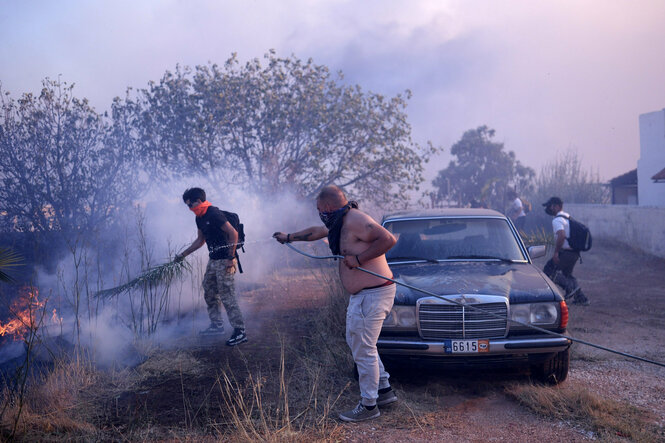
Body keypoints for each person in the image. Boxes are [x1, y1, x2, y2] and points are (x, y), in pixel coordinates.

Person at [273, 185, 398, 423]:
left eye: (320, 209)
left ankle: (369, 406)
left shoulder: (355, 219)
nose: (319, 212)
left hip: (374, 293)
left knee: (364, 348)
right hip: (363, 295)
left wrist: (359, 258)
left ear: (327, 207)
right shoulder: (339, 222)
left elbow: (388, 239)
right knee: (359, 343)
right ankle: (383, 390)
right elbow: (317, 232)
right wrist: (289, 237)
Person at [176, 187, 247, 345]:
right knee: (209, 290)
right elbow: (200, 241)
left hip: (226, 259)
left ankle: (240, 331)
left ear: (199, 201)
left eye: (191, 204)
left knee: (227, 294)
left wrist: (230, 257)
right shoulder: (199, 218)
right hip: (213, 259)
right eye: (187, 206)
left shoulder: (213, 214)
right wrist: (183, 254)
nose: (190, 209)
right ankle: (217, 325)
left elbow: (233, 233)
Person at [542, 196, 590, 306]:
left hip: (566, 253)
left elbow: (561, 236)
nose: (549, 209)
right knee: (567, 274)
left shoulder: (557, 220)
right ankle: (581, 298)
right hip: (574, 253)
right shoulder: (568, 217)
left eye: (550, 206)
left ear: (557, 206)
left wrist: (556, 252)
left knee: (548, 272)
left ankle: (569, 288)